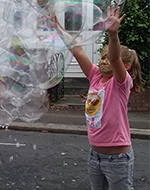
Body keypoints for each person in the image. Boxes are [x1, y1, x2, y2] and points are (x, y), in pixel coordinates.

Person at [50, 5, 142, 190]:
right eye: (102, 57)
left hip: (117, 160)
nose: (104, 61)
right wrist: (57, 26)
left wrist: (112, 35)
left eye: (108, 59)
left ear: (126, 66)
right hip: (95, 156)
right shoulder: (95, 76)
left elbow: (115, 59)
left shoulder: (121, 83)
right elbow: (77, 50)